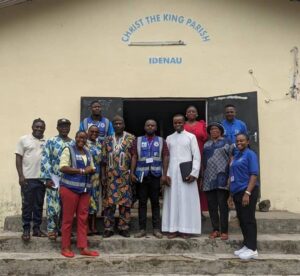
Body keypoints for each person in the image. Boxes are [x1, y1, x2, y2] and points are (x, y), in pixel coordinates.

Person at [59, 131, 99, 258]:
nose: (81, 139)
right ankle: (65, 247)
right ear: (75, 138)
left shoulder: (88, 152)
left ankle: (83, 247)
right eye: (79, 137)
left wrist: (91, 170)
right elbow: (63, 167)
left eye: (84, 138)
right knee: (68, 219)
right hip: (69, 189)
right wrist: (82, 170)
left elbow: (92, 168)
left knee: (83, 219)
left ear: (86, 139)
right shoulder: (68, 150)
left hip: (84, 191)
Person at [162, 114, 201, 239]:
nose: (178, 124)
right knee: (172, 201)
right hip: (172, 174)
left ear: (184, 123)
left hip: (186, 174)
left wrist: (194, 173)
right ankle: (172, 229)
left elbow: (197, 156)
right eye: (175, 123)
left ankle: (186, 229)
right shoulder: (169, 138)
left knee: (187, 201)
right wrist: (166, 174)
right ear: (173, 124)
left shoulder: (191, 137)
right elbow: (166, 157)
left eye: (180, 122)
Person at [130, 119, 170, 239]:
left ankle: (156, 229)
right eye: (148, 125)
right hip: (141, 175)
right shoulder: (138, 140)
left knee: (155, 203)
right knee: (142, 203)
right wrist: (132, 173)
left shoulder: (161, 141)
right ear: (144, 127)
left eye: (153, 125)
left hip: (156, 175)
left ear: (156, 128)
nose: (150, 127)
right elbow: (134, 156)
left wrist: (164, 174)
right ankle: (142, 229)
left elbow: (165, 156)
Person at [101, 116, 135, 238]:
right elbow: (104, 160)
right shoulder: (107, 140)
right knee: (109, 204)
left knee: (125, 203)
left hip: (125, 176)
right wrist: (103, 176)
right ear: (112, 126)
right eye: (115, 123)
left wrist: (132, 173)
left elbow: (134, 156)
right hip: (110, 176)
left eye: (120, 123)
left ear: (124, 125)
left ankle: (123, 227)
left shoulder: (131, 138)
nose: (118, 125)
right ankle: (108, 228)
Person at [40, 118, 73, 241]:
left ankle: (63, 229)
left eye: (66, 126)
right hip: (54, 179)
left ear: (69, 128)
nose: (64, 128)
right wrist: (47, 178)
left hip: (69, 180)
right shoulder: (51, 141)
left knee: (67, 207)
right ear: (57, 128)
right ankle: (52, 229)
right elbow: (45, 159)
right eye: (62, 126)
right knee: (53, 206)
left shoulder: (73, 143)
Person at [15, 118, 47, 241]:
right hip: (27, 179)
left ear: (44, 128)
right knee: (27, 205)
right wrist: (20, 176)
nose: (39, 129)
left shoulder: (46, 141)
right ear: (32, 127)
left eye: (41, 127)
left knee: (38, 205)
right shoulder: (24, 140)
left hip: (41, 179)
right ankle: (26, 229)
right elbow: (18, 158)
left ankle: (37, 229)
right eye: (37, 126)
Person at [229, 133, 259, 260]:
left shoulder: (250, 154)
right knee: (242, 219)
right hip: (236, 192)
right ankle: (247, 245)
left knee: (248, 219)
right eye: (237, 141)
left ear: (247, 141)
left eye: (242, 141)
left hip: (247, 191)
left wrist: (247, 193)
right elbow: (232, 175)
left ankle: (253, 249)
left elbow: (253, 174)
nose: (239, 143)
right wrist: (230, 195)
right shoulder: (236, 155)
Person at [202, 122, 233, 240]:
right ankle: (215, 230)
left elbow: (232, 158)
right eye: (211, 129)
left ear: (220, 131)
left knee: (223, 205)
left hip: (222, 178)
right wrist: (202, 177)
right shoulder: (206, 144)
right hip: (209, 179)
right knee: (212, 205)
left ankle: (224, 231)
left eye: (216, 129)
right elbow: (203, 162)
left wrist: (231, 175)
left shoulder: (227, 142)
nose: (214, 131)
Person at [184, 105, 208, 214]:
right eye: (189, 111)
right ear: (186, 114)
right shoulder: (182, 125)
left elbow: (207, 139)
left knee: (200, 181)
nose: (191, 113)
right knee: (188, 181)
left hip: (201, 156)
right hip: (186, 157)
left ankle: (200, 209)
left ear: (197, 114)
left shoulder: (202, 125)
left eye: (193, 111)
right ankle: (189, 209)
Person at [86, 125, 102, 235]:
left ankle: (94, 226)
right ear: (88, 132)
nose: (94, 133)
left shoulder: (100, 144)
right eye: (92, 131)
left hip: (96, 178)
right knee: (87, 201)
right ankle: (86, 227)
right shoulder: (83, 143)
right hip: (85, 177)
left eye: (96, 132)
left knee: (95, 201)